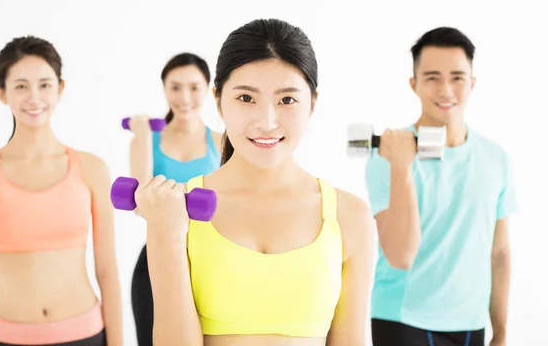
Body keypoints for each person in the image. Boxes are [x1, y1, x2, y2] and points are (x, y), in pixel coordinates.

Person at [130, 18, 376, 346]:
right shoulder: (176, 211)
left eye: (287, 100)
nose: (267, 121)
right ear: (218, 100)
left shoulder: (351, 216)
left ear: (312, 103)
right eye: (246, 98)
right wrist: (168, 234)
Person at [0, 36, 123, 346]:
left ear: (60, 88)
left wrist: (117, 342)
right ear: (0, 92)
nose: (34, 98)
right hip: (8, 338)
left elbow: (107, 269)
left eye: (44, 85)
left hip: (86, 334)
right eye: (20, 86)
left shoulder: (92, 168)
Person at [365, 27, 516, 346]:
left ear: (472, 83)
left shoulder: (496, 159)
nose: (446, 89)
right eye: (433, 77)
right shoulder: (387, 154)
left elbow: (499, 252)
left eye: (457, 77)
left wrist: (500, 330)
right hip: (402, 319)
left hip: (470, 323)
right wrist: (403, 165)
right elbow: (399, 255)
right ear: (414, 84)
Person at [126, 52, 222, 345]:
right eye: (175, 87)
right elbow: (139, 202)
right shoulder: (146, 143)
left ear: (208, 89)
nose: (184, 97)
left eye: (194, 87)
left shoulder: (222, 141)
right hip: (156, 260)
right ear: (164, 89)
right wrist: (142, 134)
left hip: (210, 263)